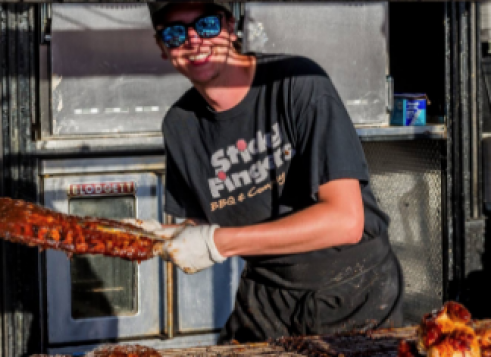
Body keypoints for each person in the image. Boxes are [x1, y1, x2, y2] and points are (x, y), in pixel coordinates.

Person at [131, 1, 404, 343]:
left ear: (231, 27)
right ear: (162, 47)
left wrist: (219, 243)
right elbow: (202, 226)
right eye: (174, 32)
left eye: (206, 25)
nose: (193, 41)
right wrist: (146, 238)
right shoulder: (180, 125)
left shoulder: (297, 82)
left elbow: (346, 222)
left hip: (351, 290)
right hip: (267, 293)